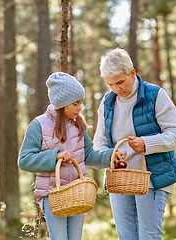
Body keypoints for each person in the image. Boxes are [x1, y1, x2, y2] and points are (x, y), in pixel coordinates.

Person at [18, 72, 125, 240]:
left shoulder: (78, 125)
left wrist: (110, 156)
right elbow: (24, 161)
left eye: (80, 103)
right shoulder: (38, 125)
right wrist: (55, 156)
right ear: (62, 103)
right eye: (75, 103)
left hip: (78, 193)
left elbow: (88, 155)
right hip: (53, 195)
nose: (79, 108)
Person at [93, 48, 176, 240]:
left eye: (120, 82)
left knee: (148, 236)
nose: (116, 89)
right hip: (119, 179)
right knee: (125, 237)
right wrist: (108, 155)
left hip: (153, 177)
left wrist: (146, 143)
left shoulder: (156, 95)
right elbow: (99, 142)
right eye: (110, 84)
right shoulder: (107, 103)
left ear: (132, 73)